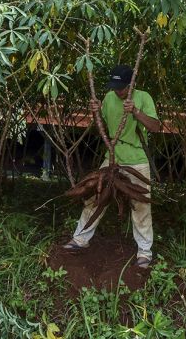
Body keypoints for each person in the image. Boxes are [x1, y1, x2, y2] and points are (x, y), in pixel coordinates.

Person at [63, 64, 161, 268]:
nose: (118, 91)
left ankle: (144, 253)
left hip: (136, 158)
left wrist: (135, 111)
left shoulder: (143, 97)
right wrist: (95, 112)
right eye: (115, 87)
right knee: (95, 197)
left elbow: (155, 126)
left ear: (131, 84)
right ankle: (80, 240)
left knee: (141, 204)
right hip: (113, 156)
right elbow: (103, 125)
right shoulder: (109, 97)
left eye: (122, 87)